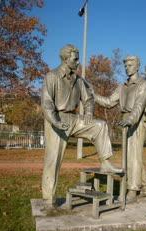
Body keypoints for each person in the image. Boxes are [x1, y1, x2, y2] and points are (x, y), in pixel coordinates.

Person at [41, 44, 121, 206]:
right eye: (75, 59)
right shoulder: (52, 76)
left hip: (74, 119)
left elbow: (89, 99)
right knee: (53, 160)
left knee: (100, 126)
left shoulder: (79, 80)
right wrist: (55, 121)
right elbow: (47, 103)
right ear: (65, 59)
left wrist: (89, 113)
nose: (78, 62)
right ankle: (49, 199)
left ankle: (105, 163)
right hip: (56, 118)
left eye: (78, 58)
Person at [94, 55, 146, 202]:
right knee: (133, 155)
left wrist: (130, 120)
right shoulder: (122, 87)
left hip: (137, 121)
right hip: (125, 120)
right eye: (126, 65)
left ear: (138, 66)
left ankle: (132, 190)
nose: (128, 67)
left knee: (133, 155)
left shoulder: (143, 85)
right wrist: (92, 95)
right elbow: (108, 102)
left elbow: (139, 106)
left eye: (131, 64)